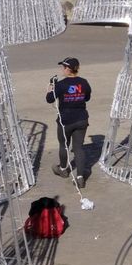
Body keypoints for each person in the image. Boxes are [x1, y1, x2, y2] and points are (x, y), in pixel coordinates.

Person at [46, 57, 91, 188]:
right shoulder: (84, 82)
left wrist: (51, 87)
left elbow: (49, 99)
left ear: (67, 69)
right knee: (78, 147)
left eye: (63, 67)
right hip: (82, 119)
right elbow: (87, 97)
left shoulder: (61, 84)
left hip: (66, 121)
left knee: (64, 145)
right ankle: (80, 177)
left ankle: (64, 169)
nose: (62, 69)